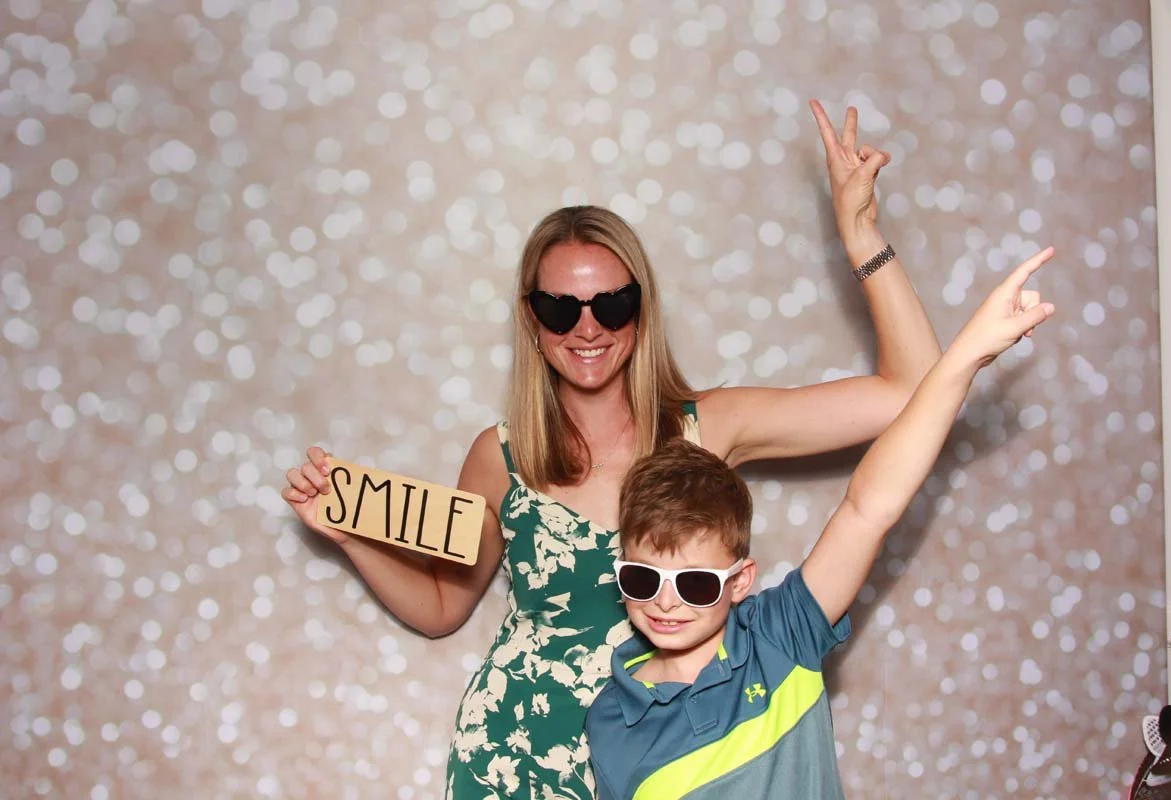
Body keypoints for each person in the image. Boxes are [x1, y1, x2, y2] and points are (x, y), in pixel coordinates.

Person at [281, 101, 943, 799]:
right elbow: (444, 604)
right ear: (532, 319)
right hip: (515, 760)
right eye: (560, 308)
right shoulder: (500, 457)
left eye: (612, 304)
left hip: (663, 753)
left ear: (641, 308)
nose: (588, 328)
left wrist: (860, 233)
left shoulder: (710, 427)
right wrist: (349, 536)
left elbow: (913, 390)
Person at [584, 249, 1057, 799]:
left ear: (739, 581)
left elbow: (869, 505)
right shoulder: (611, 721)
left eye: (694, 584)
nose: (665, 602)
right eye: (643, 579)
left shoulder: (780, 636)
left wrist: (968, 354)